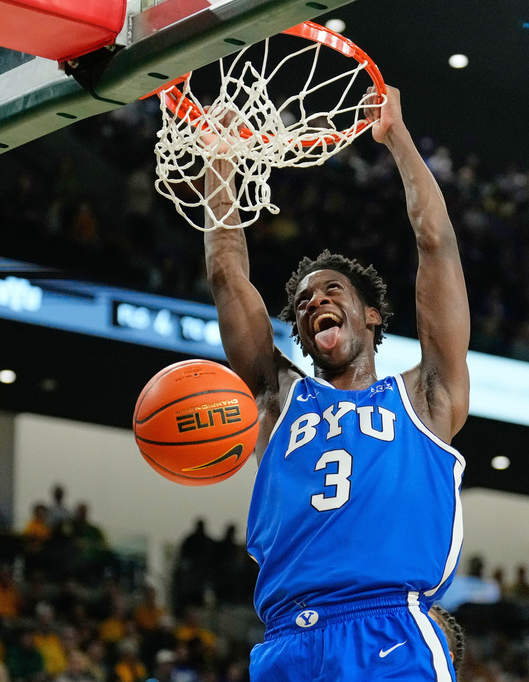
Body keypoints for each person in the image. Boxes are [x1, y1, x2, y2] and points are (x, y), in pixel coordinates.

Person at [202, 85, 470, 681]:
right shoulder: (277, 399)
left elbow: (437, 245)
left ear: (370, 314)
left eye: (331, 291)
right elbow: (226, 275)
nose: (314, 300)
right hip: (284, 646)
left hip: (387, 632)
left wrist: (397, 138)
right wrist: (219, 160)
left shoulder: (424, 397)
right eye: (302, 302)